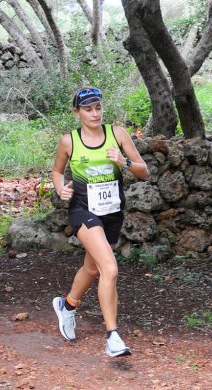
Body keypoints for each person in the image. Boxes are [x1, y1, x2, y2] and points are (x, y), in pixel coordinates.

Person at [51, 87, 148, 357]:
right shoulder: (69, 141)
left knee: (92, 268)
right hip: (83, 210)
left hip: (112, 212)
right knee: (110, 268)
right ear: (77, 112)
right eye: (88, 109)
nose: (94, 113)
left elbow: (144, 171)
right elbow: (57, 171)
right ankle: (112, 336)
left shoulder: (117, 134)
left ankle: (67, 306)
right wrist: (61, 189)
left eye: (98, 107)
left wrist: (124, 161)